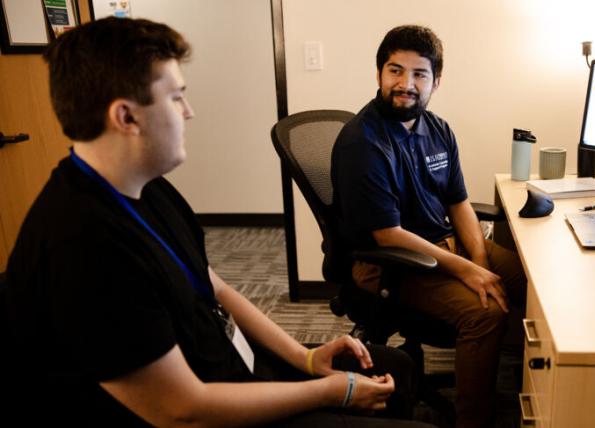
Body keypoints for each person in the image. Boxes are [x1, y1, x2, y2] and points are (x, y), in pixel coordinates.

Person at [5, 17, 435, 428]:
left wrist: (306, 359)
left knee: (394, 369)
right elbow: (182, 410)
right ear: (126, 117)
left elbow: (214, 287)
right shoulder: (84, 244)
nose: (189, 111)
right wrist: (330, 392)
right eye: (175, 97)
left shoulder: (145, 186)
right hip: (203, 408)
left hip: (229, 364)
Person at [331, 25, 527, 428]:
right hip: (389, 264)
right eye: (395, 71)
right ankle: (475, 420)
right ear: (379, 74)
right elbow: (390, 236)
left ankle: (542, 383)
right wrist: (471, 271)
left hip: (443, 245)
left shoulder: (437, 129)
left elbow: (459, 203)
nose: (406, 84)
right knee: (483, 314)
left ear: (436, 81)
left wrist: (478, 260)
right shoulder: (363, 144)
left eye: (419, 74)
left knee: (531, 280)